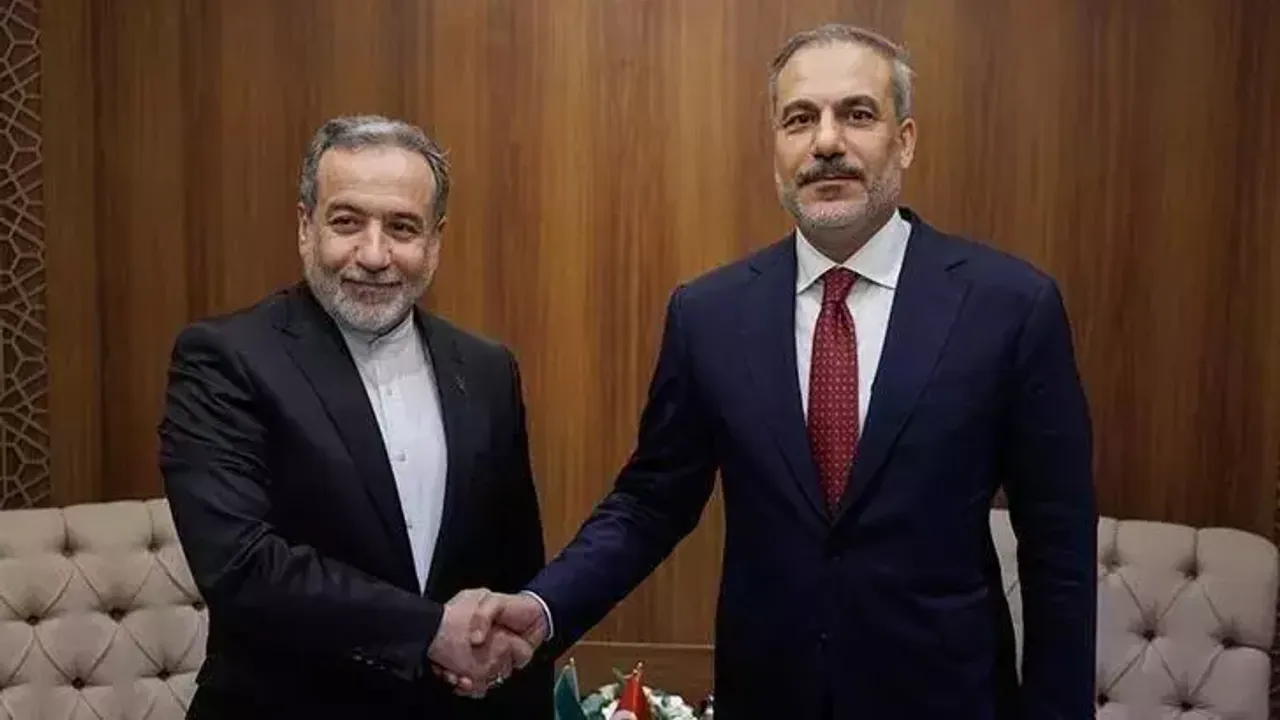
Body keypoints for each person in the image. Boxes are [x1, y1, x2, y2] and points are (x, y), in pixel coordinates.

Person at [454, 24, 1097, 719]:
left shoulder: (1009, 306)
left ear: (905, 140)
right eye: (800, 119)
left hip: (946, 699)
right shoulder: (709, 314)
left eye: (857, 114)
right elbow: (650, 503)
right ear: (777, 149)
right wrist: (544, 607)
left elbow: (1058, 546)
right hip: (768, 696)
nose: (826, 142)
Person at [158, 115, 552, 719]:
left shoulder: (487, 369)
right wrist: (428, 630)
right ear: (305, 226)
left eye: (402, 227)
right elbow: (240, 565)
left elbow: (514, 568)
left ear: (435, 240)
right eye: (346, 222)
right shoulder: (225, 358)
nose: (373, 254)